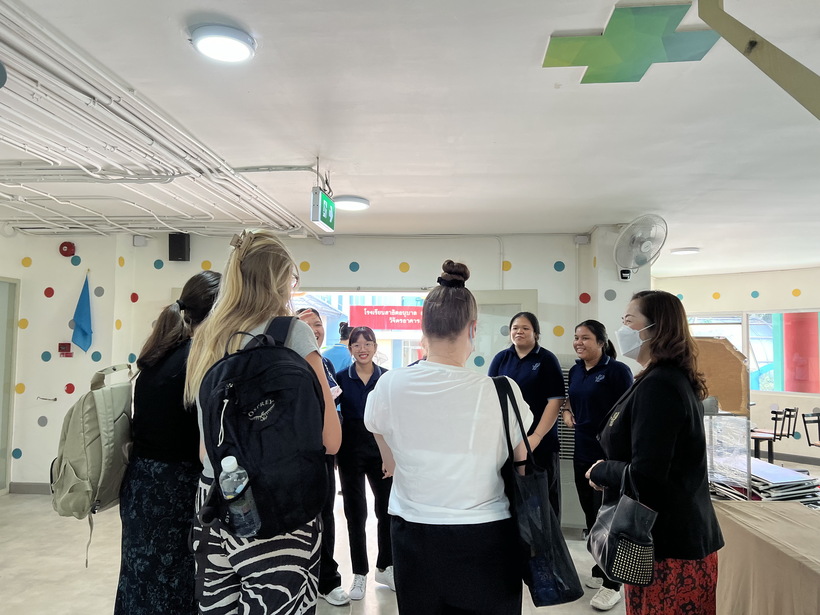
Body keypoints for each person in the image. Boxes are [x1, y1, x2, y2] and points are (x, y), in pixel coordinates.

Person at [184, 230, 341, 615]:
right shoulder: (291, 332)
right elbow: (331, 438)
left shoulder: (206, 335)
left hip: (214, 498)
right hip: (277, 505)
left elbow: (206, 446)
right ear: (281, 279)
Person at [365, 260, 533, 615]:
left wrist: (394, 459)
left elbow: (384, 450)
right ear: (473, 328)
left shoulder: (390, 385)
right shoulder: (502, 391)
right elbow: (521, 464)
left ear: (423, 328)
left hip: (413, 535)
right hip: (486, 537)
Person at [586, 291, 724, 615]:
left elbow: (647, 476)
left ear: (655, 328)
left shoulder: (660, 385)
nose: (622, 328)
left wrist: (602, 470)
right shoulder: (656, 378)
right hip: (663, 542)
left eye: (628, 320)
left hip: (670, 550)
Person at [114, 270, 221, 615]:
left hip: (142, 482)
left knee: (138, 578)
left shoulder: (159, 353)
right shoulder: (199, 359)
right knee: (174, 582)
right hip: (173, 488)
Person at [564, 319, 633, 611]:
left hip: (607, 457)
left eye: (585, 338)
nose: (579, 342)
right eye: (576, 337)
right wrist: (567, 412)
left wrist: (615, 456)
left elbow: (628, 411)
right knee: (592, 517)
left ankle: (613, 584)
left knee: (609, 520)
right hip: (581, 452)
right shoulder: (576, 371)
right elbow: (571, 400)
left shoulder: (617, 371)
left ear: (601, 342)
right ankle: (600, 567)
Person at [334, 326, 393, 600]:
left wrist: (391, 455)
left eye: (367, 343)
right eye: (356, 345)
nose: (362, 349)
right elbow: (331, 414)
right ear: (350, 349)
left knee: (386, 510)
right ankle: (359, 573)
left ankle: (386, 566)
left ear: (375, 347)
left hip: (380, 449)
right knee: (355, 513)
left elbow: (393, 418)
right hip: (350, 450)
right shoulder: (340, 378)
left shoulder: (387, 378)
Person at [488, 311, 565, 519]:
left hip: (541, 444)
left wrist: (536, 437)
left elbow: (555, 401)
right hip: (508, 443)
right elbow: (491, 396)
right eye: (515, 328)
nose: (519, 332)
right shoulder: (501, 358)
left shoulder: (546, 359)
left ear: (536, 334)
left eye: (525, 328)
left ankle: (546, 540)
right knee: (511, 501)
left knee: (543, 503)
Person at [295, 307, 349, 607]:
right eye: (306, 325)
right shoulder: (287, 359)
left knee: (325, 513)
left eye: (317, 324)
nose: (314, 330)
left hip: (325, 451)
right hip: (296, 452)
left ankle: (327, 579)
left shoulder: (324, 361)